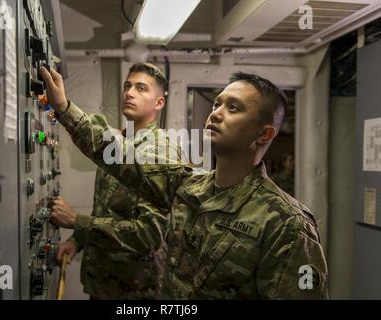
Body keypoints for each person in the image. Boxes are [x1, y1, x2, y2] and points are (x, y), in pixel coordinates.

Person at [40, 66, 328, 299]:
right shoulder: (189, 187)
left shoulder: (287, 224)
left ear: (264, 134)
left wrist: (78, 222)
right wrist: (64, 109)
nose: (216, 113)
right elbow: (119, 157)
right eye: (217, 103)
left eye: (234, 108)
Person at [51, 63, 183, 299]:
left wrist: (77, 221)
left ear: (159, 102)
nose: (130, 93)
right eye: (127, 86)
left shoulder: (160, 152)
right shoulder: (120, 141)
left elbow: (148, 234)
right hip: (103, 284)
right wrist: (77, 240)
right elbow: (108, 207)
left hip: (135, 291)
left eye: (141, 88)